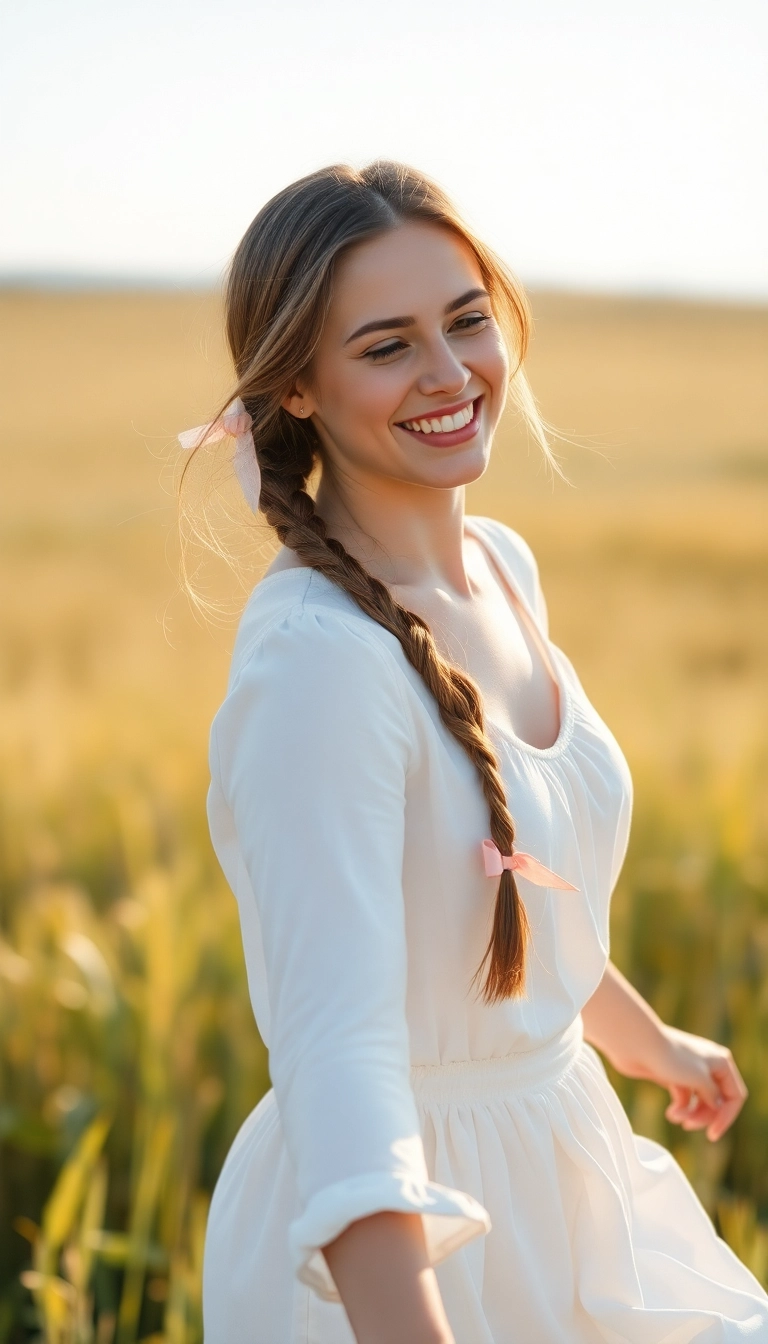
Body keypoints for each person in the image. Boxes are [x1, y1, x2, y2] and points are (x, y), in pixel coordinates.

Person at [179, 162, 768, 1343]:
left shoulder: (501, 566)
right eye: (386, 346)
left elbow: (487, 886)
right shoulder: (318, 665)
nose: (451, 375)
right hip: (409, 1238)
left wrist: (646, 1041)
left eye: (466, 320)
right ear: (296, 384)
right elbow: (338, 1056)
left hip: (568, 1161)